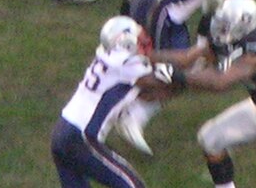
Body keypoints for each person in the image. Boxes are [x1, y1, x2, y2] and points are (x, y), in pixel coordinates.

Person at [116, 0, 244, 155]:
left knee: (151, 63)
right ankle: (132, 114)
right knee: (176, 72)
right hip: (166, 11)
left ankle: (119, 107)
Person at [156, 0, 256, 188]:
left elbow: (221, 81)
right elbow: (188, 57)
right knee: (210, 139)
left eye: (227, 24)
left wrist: (178, 76)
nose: (221, 27)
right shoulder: (227, 37)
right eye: (222, 21)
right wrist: (147, 57)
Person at [50, 15, 179, 188]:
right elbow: (163, 81)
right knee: (133, 185)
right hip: (81, 137)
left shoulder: (108, 55)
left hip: (61, 132)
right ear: (125, 42)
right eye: (138, 39)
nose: (144, 41)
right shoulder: (127, 64)